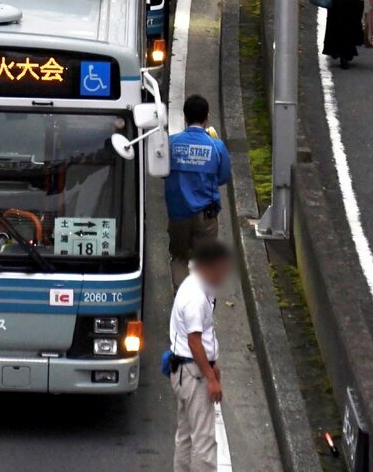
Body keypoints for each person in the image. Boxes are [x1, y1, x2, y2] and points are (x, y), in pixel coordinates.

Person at [168, 240, 232, 472]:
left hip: (184, 371)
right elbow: (194, 341)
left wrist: (212, 363)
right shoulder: (195, 297)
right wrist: (211, 378)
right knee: (204, 441)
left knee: (185, 435)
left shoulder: (195, 285)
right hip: (193, 373)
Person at [165, 95, 232, 289]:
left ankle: (181, 297)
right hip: (205, 215)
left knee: (178, 258)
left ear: (185, 117)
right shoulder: (216, 146)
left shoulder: (171, 143)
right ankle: (202, 302)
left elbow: (162, 172)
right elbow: (223, 176)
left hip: (177, 214)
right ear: (207, 117)